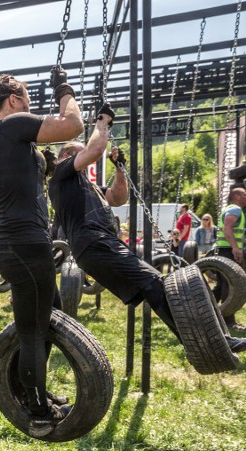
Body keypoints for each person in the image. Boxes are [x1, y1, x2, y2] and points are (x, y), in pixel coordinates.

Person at [47, 106, 246, 356]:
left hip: (100, 244)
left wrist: (119, 169)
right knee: (156, 282)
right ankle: (211, 343)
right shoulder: (61, 175)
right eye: (81, 155)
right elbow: (95, 148)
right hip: (93, 243)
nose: (89, 161)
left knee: (154, 286)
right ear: (66, 156)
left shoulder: (87, 184)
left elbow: (118, 198)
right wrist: (103, 122)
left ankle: (207, 343)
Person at [0, 66, 83, 437]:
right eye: (28, 99)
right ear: (14, 101)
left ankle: (32, 391)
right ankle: (36, 411)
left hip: (11, 242)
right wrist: (63, 89)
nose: (31, 105)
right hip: (22, 243)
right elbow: (72, 126)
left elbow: (22, 178)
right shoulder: (13, 125)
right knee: (34, 329)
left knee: (49, 314)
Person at [215, 184, 246, 329]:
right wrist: (235, 247)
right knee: (232, 284)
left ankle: (208, 311)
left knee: (223, 284)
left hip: (224, 250)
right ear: (236, 196)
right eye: (244, 195)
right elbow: (227, 228)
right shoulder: (235, 209)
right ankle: (228, 321)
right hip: (229, 251)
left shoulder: (230, 209)